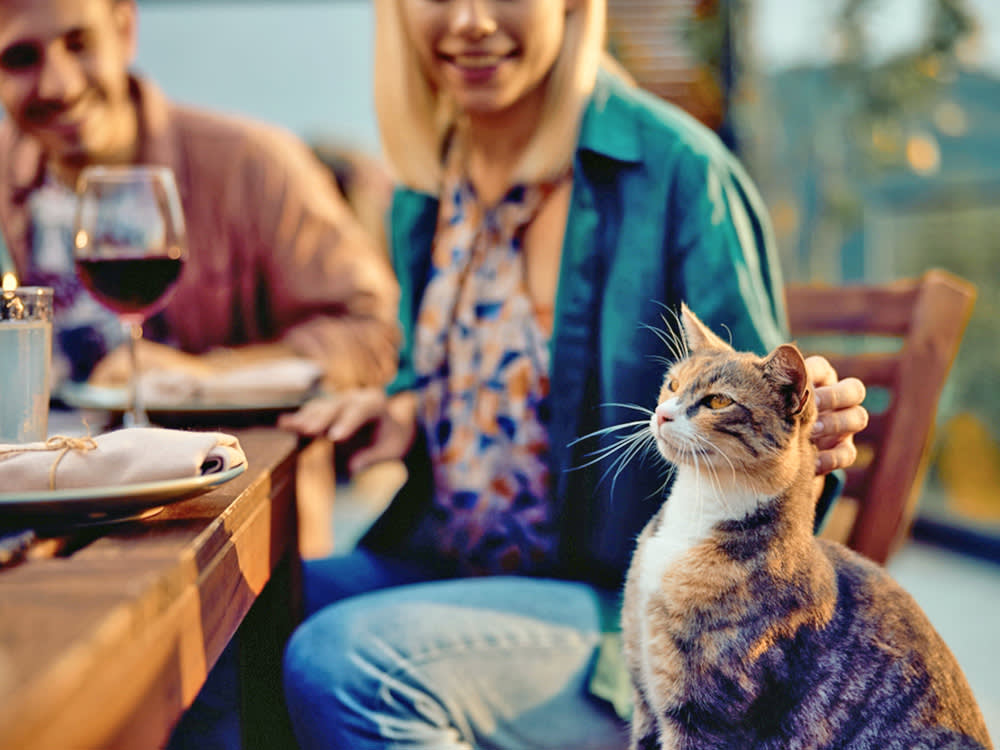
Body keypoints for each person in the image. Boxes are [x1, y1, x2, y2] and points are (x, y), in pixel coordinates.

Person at [279, 0, 869, 748]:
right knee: (229, 617)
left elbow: (766, 444)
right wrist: (402, 408)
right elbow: (443, 370)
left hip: (626, 612)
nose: (470, 21)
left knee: (346, 664)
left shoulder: (681, 176)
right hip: (446, 568)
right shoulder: (426, 189)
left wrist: (808, 440)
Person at [0, 0, 400, 391]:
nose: (59, 85)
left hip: (230, 456)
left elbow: (375, 334)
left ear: (124, 29)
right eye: (20, 58)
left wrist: (211, 376)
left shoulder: (253, 164)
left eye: (79, 43)